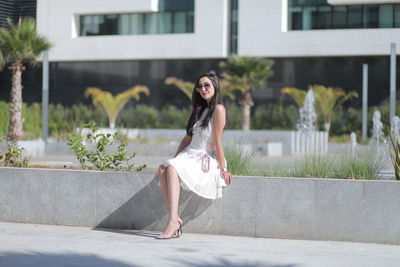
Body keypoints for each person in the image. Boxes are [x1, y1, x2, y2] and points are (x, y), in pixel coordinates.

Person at [157, 72, 233, 239]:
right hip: (190, 153)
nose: (203, 89)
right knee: (163, 169)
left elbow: (217, 141)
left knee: (171, 170)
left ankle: (172, 221)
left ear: (215, 86)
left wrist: (224, 168)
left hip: (203, 157)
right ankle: (175, 218)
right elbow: (188, 137)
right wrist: (175, 159)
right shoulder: (199, 109)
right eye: (200, 86)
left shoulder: (218, 110)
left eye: (207, 85)